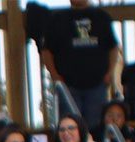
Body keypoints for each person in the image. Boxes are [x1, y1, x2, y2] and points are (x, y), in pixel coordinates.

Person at [39, 0, 121, 132]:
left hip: (97, 84)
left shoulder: (101, 17)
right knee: (70, 128)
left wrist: (110, 72)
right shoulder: (58, 18)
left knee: (96, 128)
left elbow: (113, 48)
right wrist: (54, 75)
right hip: (68, 85)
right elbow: (47, 51)